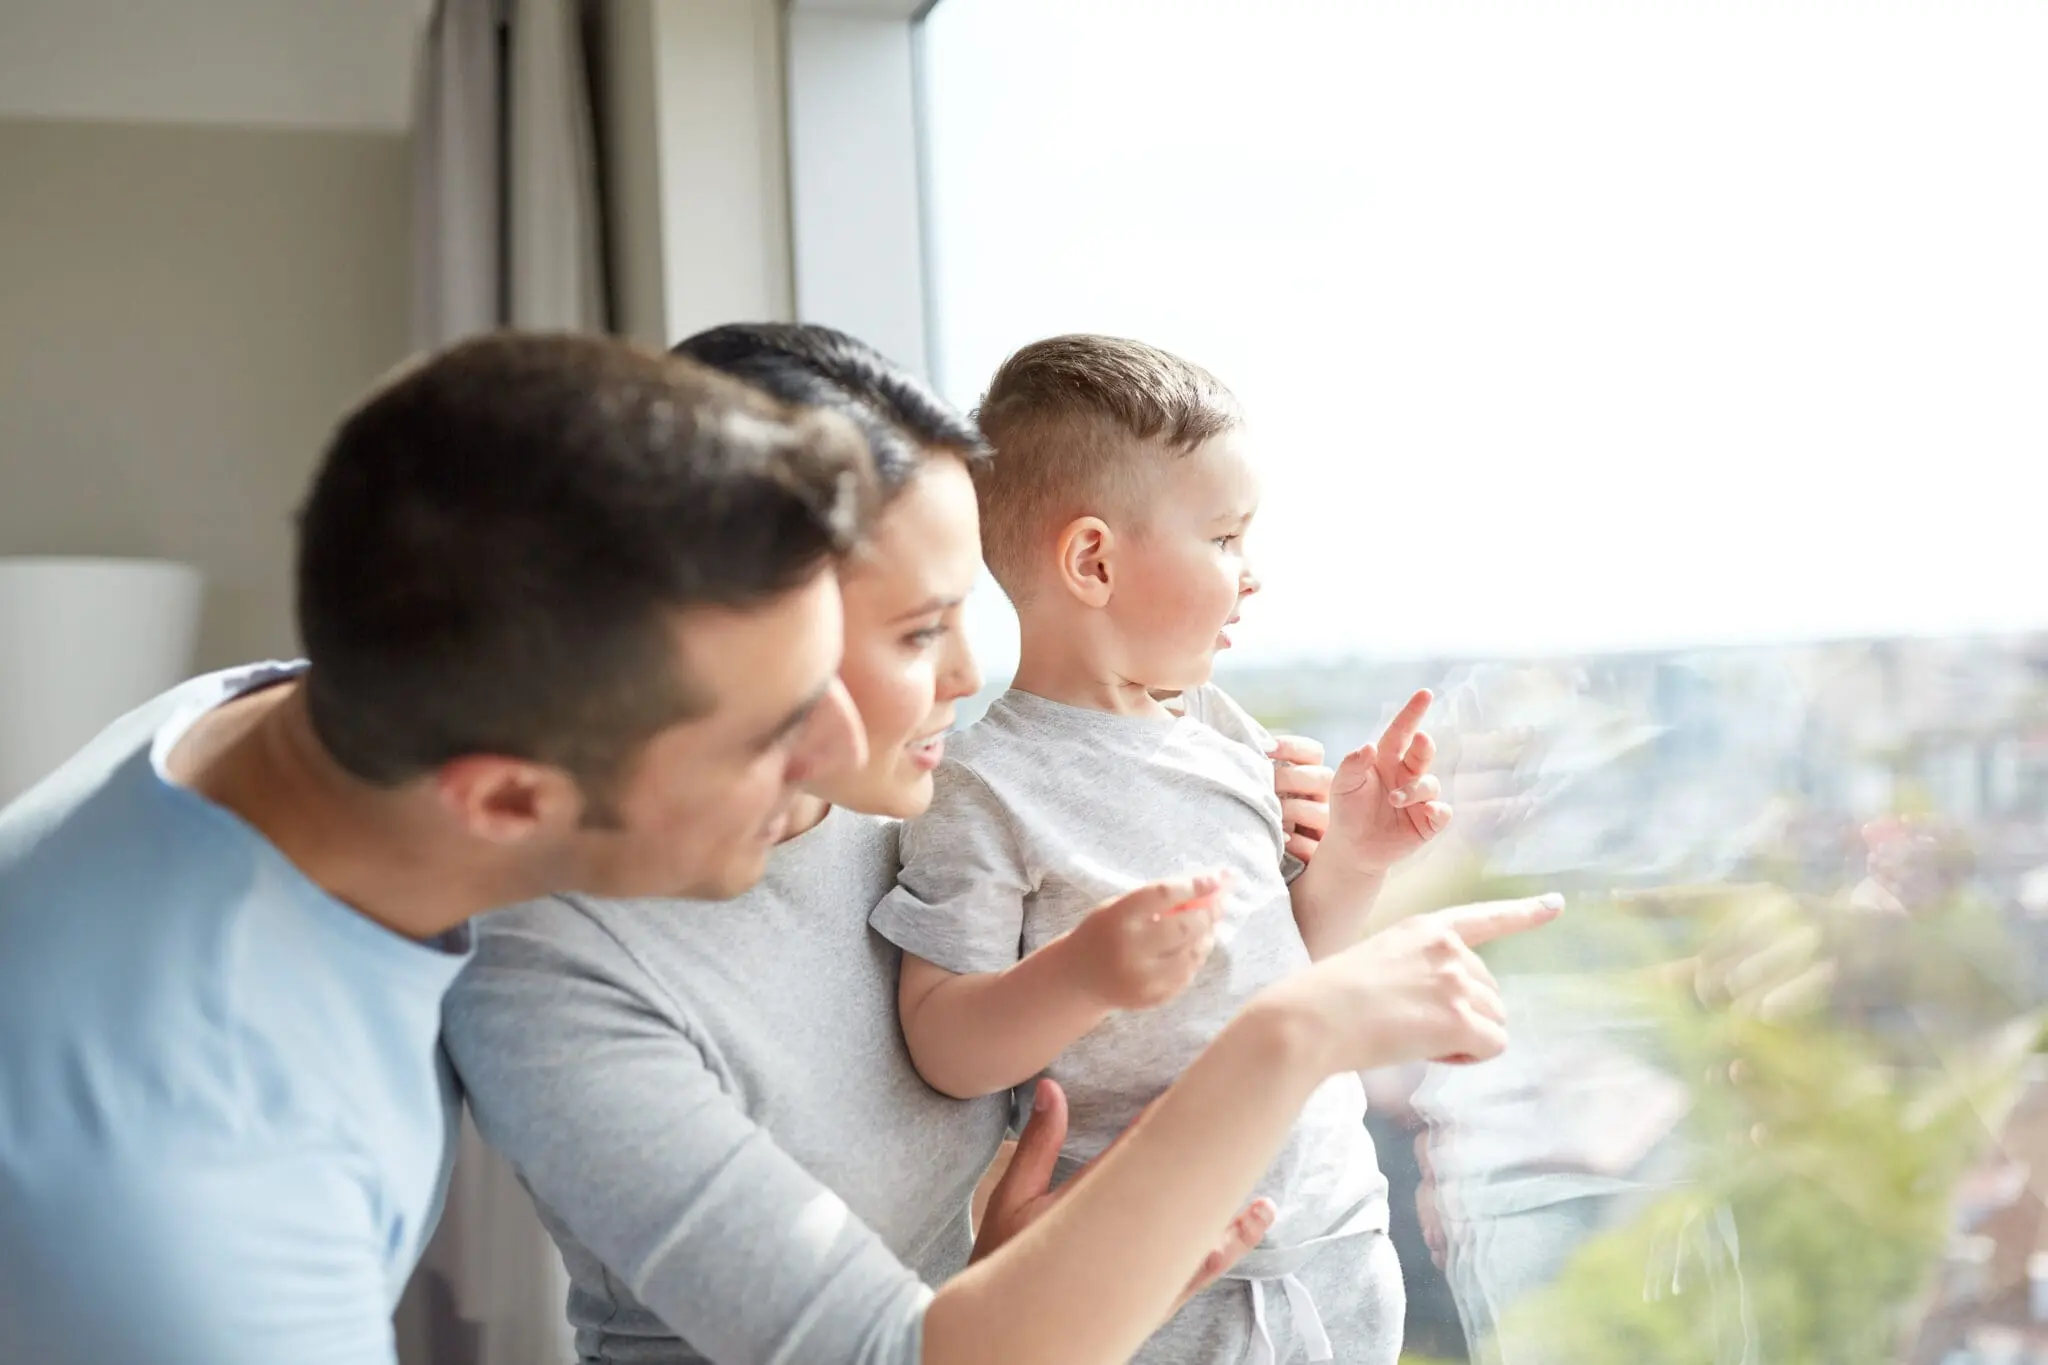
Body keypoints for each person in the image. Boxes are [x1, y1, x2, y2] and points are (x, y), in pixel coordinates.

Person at [445, 322, 1561, 1365]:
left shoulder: (898, 801)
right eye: (918, 630)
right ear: (736, 633)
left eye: (958, 614)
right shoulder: (553, 984)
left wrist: (1027, 1276)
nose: (969, 675)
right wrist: (1293, 1036)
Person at [0, 333, 878, 1365]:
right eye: (773, 733)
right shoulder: (197, 1187)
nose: (846, 749)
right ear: (508, 800)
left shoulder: (280, 722)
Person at [870, 334, 1535, 1365]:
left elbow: (1281, 972)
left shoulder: (1225, 737)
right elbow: (945, 1048)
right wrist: (1084, 972)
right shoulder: (981, 789)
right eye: (1224, 538)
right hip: (1164, 1290)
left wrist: (1352, 858)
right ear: (1091, 561)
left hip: (1329, 1244)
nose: (1251, 575)